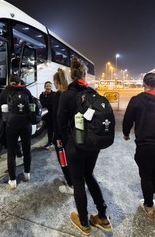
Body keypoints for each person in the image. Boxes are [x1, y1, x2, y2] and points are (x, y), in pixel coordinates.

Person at [57, 57, 112, 235]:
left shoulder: (67, 94)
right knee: (89, 175)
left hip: (76, 145)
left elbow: (60, 123)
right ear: (85, 74)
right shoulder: (92, 92)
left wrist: (64, 141)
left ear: (71, 75)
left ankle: (84, 222)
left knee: (78, 180)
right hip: (93, 143)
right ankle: (103, 217)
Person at [122, 72, 155, 220]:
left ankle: (149, 207)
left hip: (145, 144)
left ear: (144, 83)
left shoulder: (137, 100)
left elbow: (128, 119)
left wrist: (126, 134)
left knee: (146, 175)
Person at [0, 75, 33, 190]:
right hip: (26, 125)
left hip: (11, 126)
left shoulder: (5, 92)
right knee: (27, 150)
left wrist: (5, 120)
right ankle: (27, 174)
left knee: (11, 153)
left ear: (9, 82)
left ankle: (12, 180)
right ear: (19, 81)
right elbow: (32, 107)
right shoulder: (26, 91)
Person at [52, 68, 73, 195]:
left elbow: (56, 117)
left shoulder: (59, 95)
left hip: (62, 135)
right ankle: (75, 181)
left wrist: (57, 136)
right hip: (73, 134)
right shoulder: (71, 93)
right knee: (73, 159)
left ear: (56, 81)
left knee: (63, 159)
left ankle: (71, 184)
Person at [40, 81, 55, 149]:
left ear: (51, 86)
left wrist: (48, 103)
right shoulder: (42, 95)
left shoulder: (55, 94)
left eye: (49, 86)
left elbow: (52, 103)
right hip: (47, 115)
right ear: (44, 87)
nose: (48, 87)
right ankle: (50, 142)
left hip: (54, 114)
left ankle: (55, 142)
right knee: (49, 129)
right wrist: (49, 103)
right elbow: (42, 103)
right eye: (47, 86)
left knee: (55, 129)